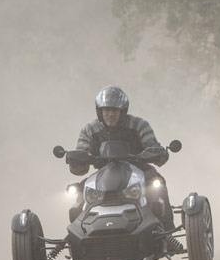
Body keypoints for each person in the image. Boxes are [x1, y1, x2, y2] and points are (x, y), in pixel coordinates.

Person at [69, 85, 175, 229]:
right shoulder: (89, 130)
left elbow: (154, 147)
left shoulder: (139, 125)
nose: (110, 114)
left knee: (158, 185)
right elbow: (80, 160)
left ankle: (167, 231)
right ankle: (77, 233)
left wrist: (158, 154)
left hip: (140, 170)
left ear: (123, 111)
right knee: (80, 191)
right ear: (99, 111)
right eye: (106, 110)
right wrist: (76, 162)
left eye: (115, 110)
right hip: (103, 175)